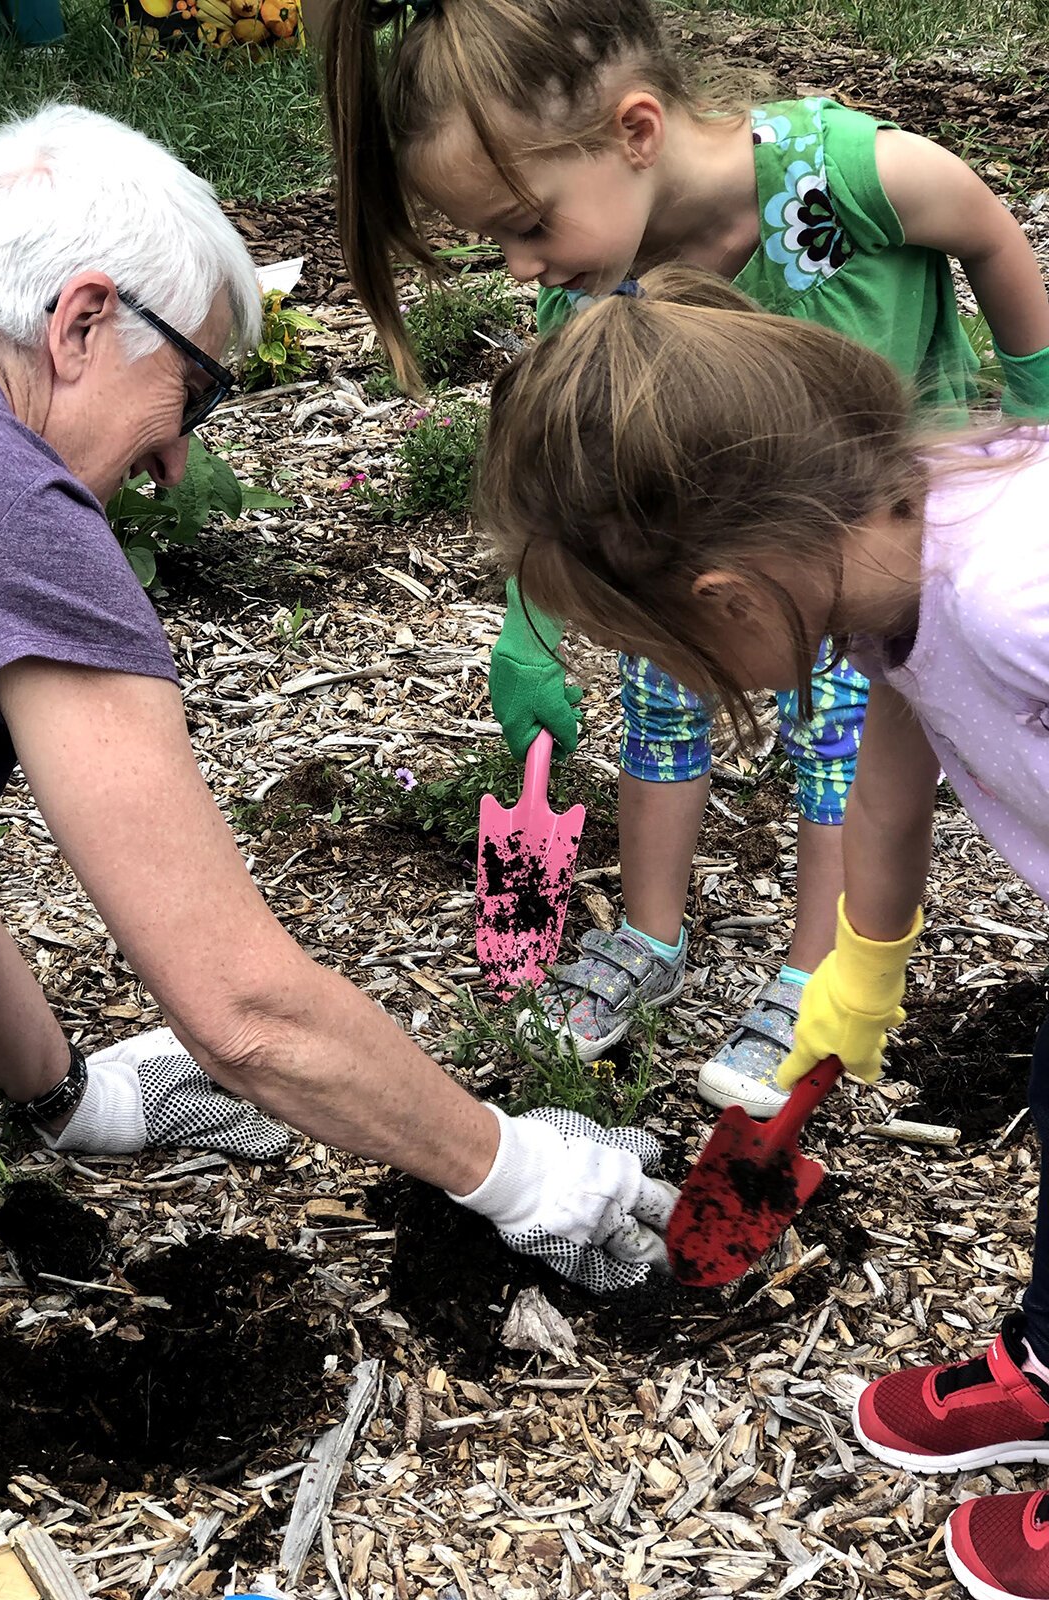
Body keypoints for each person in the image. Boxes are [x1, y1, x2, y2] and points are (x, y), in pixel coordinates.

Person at [0, 103, 678, 1297]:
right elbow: (243, 1011)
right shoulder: (14, 515)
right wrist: (518, 1170)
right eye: (196, 390)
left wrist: (67, 1097)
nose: (183, 456)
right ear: (83, 320)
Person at [323, 0, 1049, 1117]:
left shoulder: (847, 172)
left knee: (839, 747)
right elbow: (574, 477)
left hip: (873, 535)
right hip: (713, 557)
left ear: (636, 131)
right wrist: (534, 627)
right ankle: (654, 933)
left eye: (524, 223)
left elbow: (991, 234)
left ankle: (813, 957)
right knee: (667, 697)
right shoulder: (595, 279)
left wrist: (1037, 405)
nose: (519, 267)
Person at [475, 272, 1049, 1600]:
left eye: (674, 657)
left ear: (731, 598)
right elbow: (902, 746)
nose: (692, 683)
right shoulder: (897, 575)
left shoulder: (1016, 592)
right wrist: (866, 958)